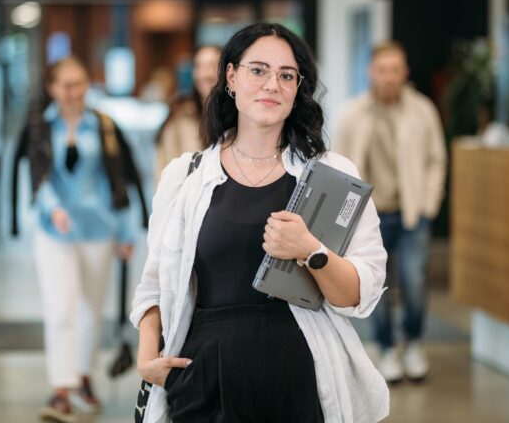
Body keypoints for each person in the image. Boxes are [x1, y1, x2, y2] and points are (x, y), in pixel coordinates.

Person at [131, 23, 389, 422]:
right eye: (258, 70)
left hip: (299, 377)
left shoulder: (331, 176)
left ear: (298, 89)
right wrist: (148, 357)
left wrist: (311, 251)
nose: (272, 84)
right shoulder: (185, 176)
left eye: (287, 75)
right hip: (204, 377)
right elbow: (154, 283)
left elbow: (360, 292)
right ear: (231, 77)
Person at [27, 56, 147, 422]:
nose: (74, 91)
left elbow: (120, 181)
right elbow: (38, 175)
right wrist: (53, 210)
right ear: (52, 88)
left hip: (99, 228)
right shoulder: (41, 127)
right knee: (60, 310)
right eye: (66, 84)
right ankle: (60, 389)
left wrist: (127, 231)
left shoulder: (104, 126)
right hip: (55, 230)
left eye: (80, 83)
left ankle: (83, 377)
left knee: (90, 312)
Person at [333, 41, 447, 384]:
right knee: (376, 286)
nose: (389, 77)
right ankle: (385, 347)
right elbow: (338, 164)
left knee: (414, 281)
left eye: (395, 70)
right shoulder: (352, 113)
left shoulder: (422, 110)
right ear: (371, 72)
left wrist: (429, 204)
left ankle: (413, 343)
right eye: (382, 70)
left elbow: (436, 160)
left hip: (412, 213)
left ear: (405, 72)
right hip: (371, 217)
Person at [154, 45, 221, 180]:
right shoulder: (179, 115)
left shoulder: (239, 118)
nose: (204, 74)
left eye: (212, 66)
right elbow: (164, 170)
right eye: (198, 66)